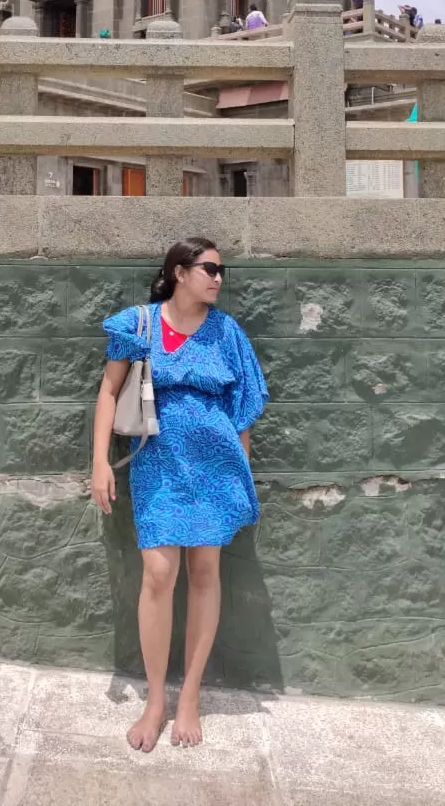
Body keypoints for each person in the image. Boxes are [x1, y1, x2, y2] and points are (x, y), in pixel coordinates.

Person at [91, 237, 268, 753]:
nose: (218, 277)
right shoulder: (139, 324)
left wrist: (242, 472)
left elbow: (243, 411)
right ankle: (156, 700)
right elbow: (108, 391)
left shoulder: (226, 333)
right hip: (158, 464)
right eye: (209, 268)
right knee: (159, 574)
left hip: (215, 467)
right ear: (178, 271)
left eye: (221, 270)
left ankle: (189, 695)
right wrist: (100, 462)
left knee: (205, 573)